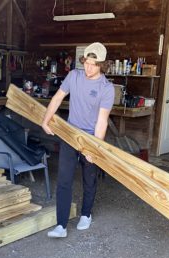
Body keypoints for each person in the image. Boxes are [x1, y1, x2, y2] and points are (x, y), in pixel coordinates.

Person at [42, 42, 115, 238]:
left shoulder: (106, 88)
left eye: (93, 64)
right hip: (70, 133)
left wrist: (94, 148)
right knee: (64, 178)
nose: (88, 68)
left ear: (102, 65)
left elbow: (102, 121)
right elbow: (58, 97)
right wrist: (46, 119)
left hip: (90, 137)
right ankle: (61, 225)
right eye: (86, 63)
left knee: (89, 178)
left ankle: (86, 214)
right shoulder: (74, 76)